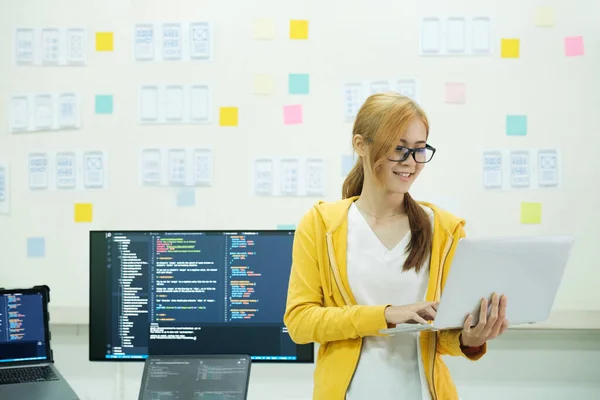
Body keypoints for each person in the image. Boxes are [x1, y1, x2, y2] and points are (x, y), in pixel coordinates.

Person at [283, 92, 509, 400]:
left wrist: (469, 338)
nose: (411, 163)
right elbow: (300, 322)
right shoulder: (321, 225)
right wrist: (386, 315)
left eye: (419, 150)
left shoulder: (444, 229)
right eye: (399, 149)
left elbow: (441, 335)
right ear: (361, 145)